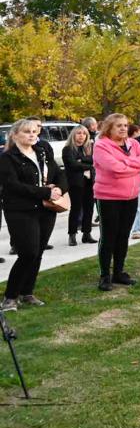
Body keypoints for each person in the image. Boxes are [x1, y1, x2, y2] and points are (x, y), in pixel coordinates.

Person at [0, 118, 67, 310]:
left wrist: (59, 190)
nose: (32, 134)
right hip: (20, 210)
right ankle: (10, 296)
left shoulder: (42, 153)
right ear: (15, 135)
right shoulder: (8, 158)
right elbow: (13, 186)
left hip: (46, 209)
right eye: (27, 131)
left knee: (37, 253)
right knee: (28, 252)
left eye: (34, 131)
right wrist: (46, 192)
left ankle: (27, 292)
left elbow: (59, 174)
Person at [92, 114, 140, 291]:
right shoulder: (101, 145)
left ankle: (118, 271)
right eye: (118, 125)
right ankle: (105, 275)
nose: (123, 128)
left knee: (123, 236)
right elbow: (114, 168)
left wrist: (127, 163)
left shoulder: (133, 143)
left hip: (131, 196)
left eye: (125, 125)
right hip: (108, 197)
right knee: (109, 236)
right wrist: (135, 166)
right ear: (109, 127)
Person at [63, 124, 97, 246]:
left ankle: (86, 234)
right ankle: (72, 235)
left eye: (84, 134)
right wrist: (88, 163)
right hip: (76, 183)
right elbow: (73, 165)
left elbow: (95, 160)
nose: (81, 136)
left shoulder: (89, 148)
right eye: (79, 133)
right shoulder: (68, 149)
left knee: (89, 209)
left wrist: (82, 160)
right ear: (73, 135)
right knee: (76, 209)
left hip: (89, 182)